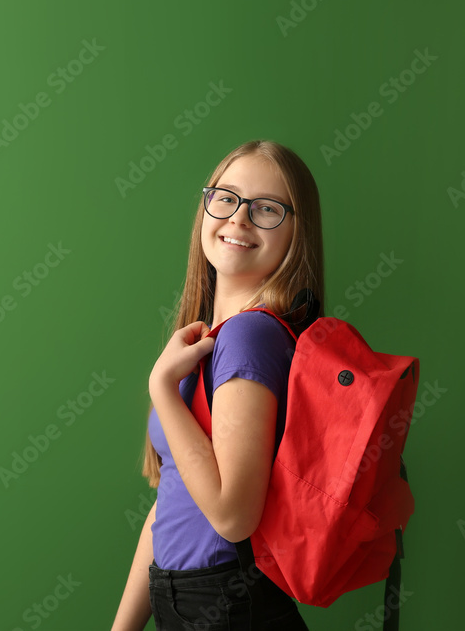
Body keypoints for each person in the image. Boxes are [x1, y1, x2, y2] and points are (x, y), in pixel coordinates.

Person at [111, 139, 324, 630]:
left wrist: (162, 389)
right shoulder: (214, 338)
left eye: (267, 208)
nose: (239, 219)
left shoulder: (250, 336)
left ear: (298, 232)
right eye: (226, 197)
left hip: (226, 606)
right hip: (189, 601)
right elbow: (172, 503)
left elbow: (232, 517)